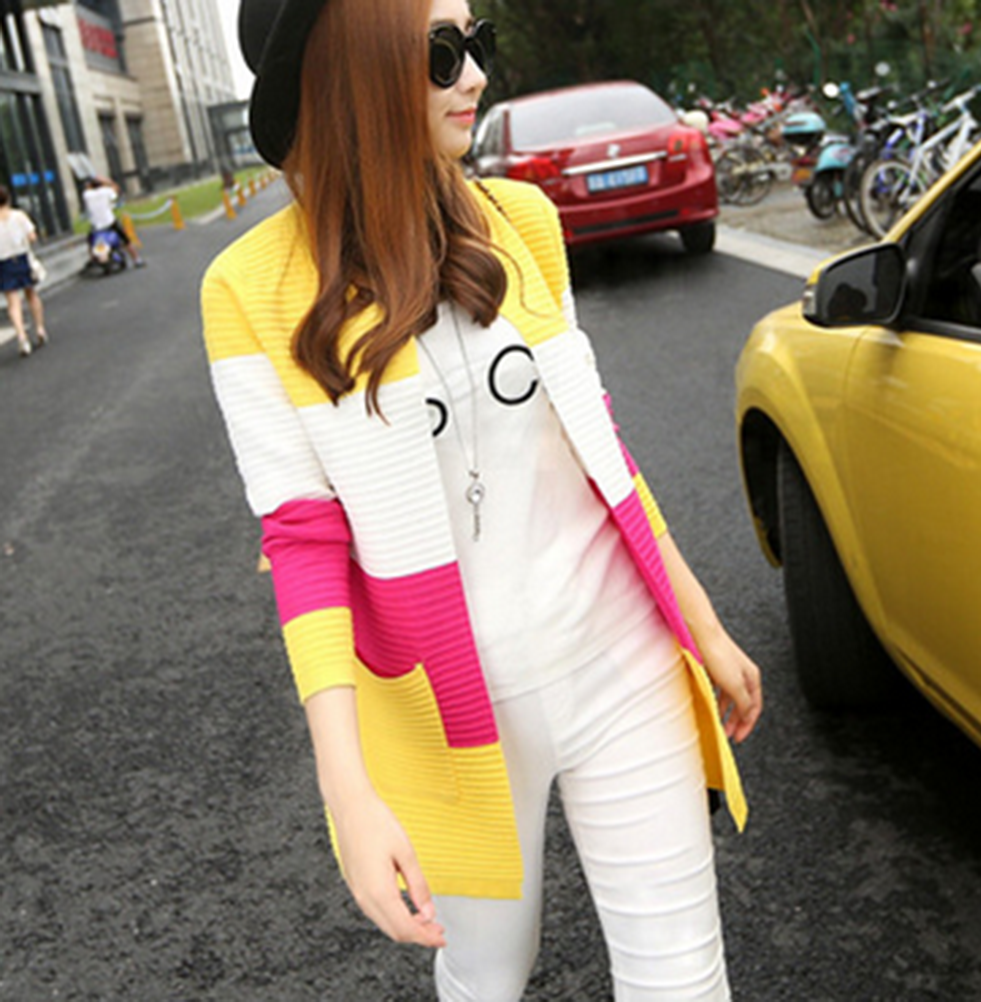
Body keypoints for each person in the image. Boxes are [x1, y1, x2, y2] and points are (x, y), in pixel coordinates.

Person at [202, 1, 763, 999]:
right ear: (355, 69)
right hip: (442, 720)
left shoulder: (520, 222)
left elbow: (596, 446)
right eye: (441, 52)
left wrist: (702, 625)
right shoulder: (249, 288)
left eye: (477, 43)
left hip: (620, 659)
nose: (475, 78)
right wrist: (347, 785)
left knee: (684, 979)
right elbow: (302, 540)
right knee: (487, 979)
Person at [0, 185, 48, 357]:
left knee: (13, 302)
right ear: (8, 198)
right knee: (31, 295)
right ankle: (40, 329)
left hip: (3, 263)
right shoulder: (19, 216)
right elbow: (32, 237)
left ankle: (21, 337)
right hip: (22, 259)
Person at [82, 176, 145, 267]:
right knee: (125, 240)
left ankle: (92, 259)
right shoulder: (107, 191)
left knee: (90, 242)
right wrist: (108, 181)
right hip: (110, 222)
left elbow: (87, 187)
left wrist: (92, 183)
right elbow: (116, 190)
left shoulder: (87, 195)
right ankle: (136, 259)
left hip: (96, 225)